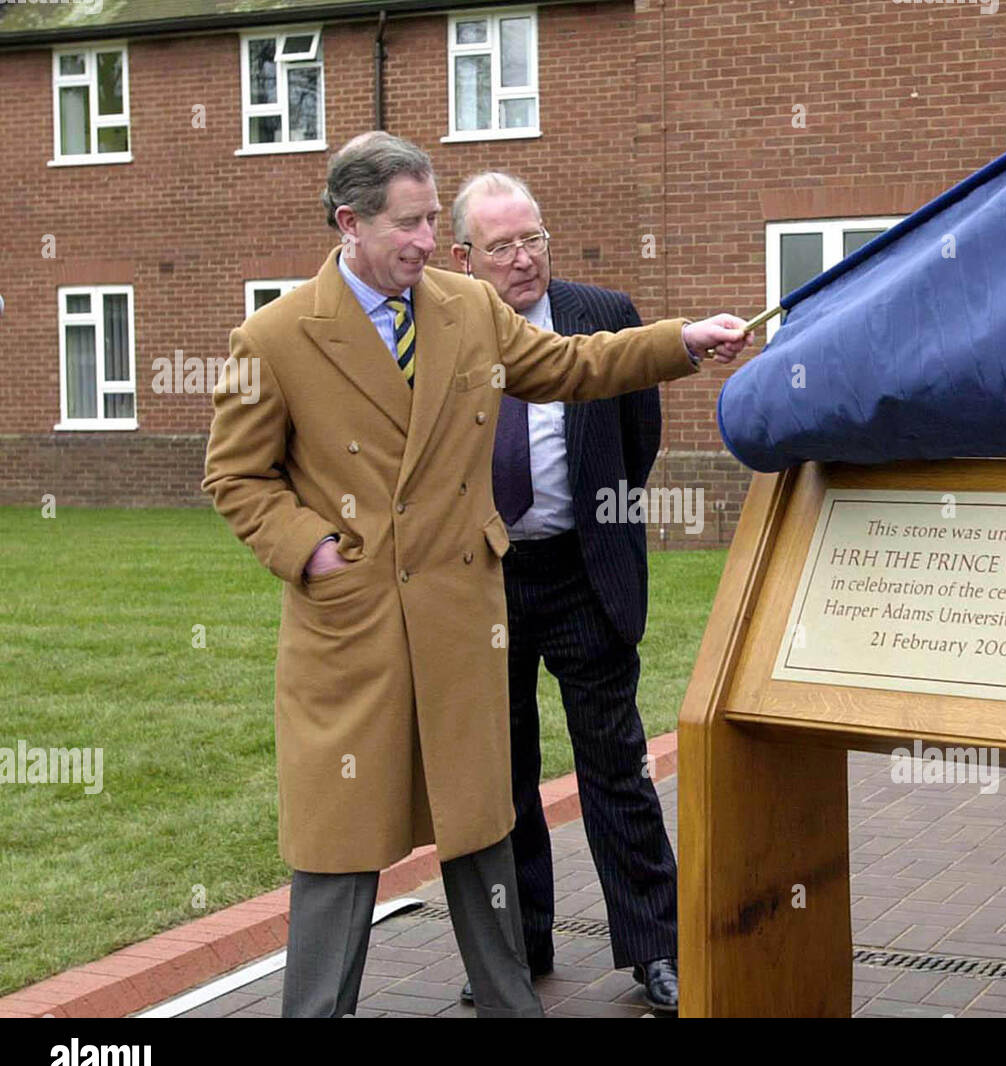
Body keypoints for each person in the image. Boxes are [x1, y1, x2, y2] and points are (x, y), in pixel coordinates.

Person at [201, 131, 749, 1018]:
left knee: (480, 820)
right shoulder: (274, 336)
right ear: (350, 223)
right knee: (340, 839)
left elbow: (575, 365)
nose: (425, 240)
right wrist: (312, 553)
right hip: (355, 626)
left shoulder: (464, 308)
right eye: (409, 224)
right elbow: (236, 476)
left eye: (431, 218)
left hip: (464, 612)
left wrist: (681, 341)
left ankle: (509, 999)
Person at [448, 172, 679, 1012]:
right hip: (482, 581)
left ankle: (658, 951)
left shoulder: (602, 313)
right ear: (463, 257)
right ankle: (517, 947)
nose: (524, 259)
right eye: (503, 246)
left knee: (615, 765)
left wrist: (596, 517)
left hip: (585, 571)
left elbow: (637, 436)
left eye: (535, 238)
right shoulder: (440, 325)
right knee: (499, 778)